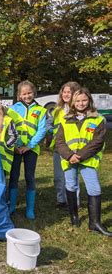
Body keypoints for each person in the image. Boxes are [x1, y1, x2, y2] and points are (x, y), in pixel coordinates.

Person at [56, 87, 111, 237]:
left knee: (94, 188)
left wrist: (79, 156)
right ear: (73, 102)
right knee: (71, 185)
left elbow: (97, 142)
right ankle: (74, 217)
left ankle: (94, 223)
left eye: (84, 100)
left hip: (88, 159)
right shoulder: (65, 119)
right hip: (69, 160)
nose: (81, 103)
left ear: (89, 100)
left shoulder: (98, 119)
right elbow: (59, 141)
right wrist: (69, 156)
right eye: (78, 101)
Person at [7, 81, 47, 220]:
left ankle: (30, 209)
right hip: (16, 148)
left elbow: (42, 130)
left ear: (34, 93)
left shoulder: (41, 110)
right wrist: (17, 145)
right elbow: (9, 127)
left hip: (31, 148)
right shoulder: (12, 109)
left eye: (29, 93)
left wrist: (29, 145)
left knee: (30, 177)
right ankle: (11, 206)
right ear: (19, 95)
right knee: (14, 176)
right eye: (24, 93)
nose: (27, 95)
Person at [47, 82, 81, 208]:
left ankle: (74, 203)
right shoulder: (57, 110)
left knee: (71, 177)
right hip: (58, 148)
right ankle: (61, 200)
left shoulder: (78, 110)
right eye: (64, 92)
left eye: (69, 92)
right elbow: (49, 124)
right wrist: (51, 131)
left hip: (73, 149)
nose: (66, 94)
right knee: (58, 177)